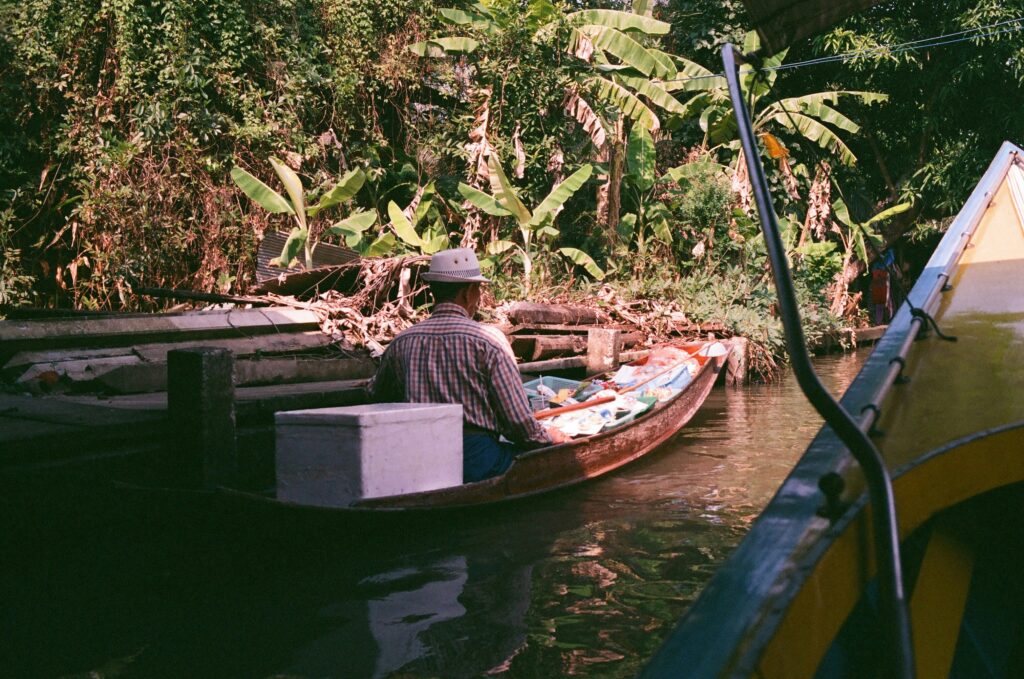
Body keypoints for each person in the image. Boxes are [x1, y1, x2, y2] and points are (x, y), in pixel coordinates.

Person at [368, 248, 570, 482]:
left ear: (434, 291)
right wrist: (549, 438)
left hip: (418, 456)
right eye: (478, 290)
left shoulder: (402, 342)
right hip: (476, 460)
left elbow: (376, 394)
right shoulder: (488, 341)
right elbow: (518, 424)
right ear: (468, 293)